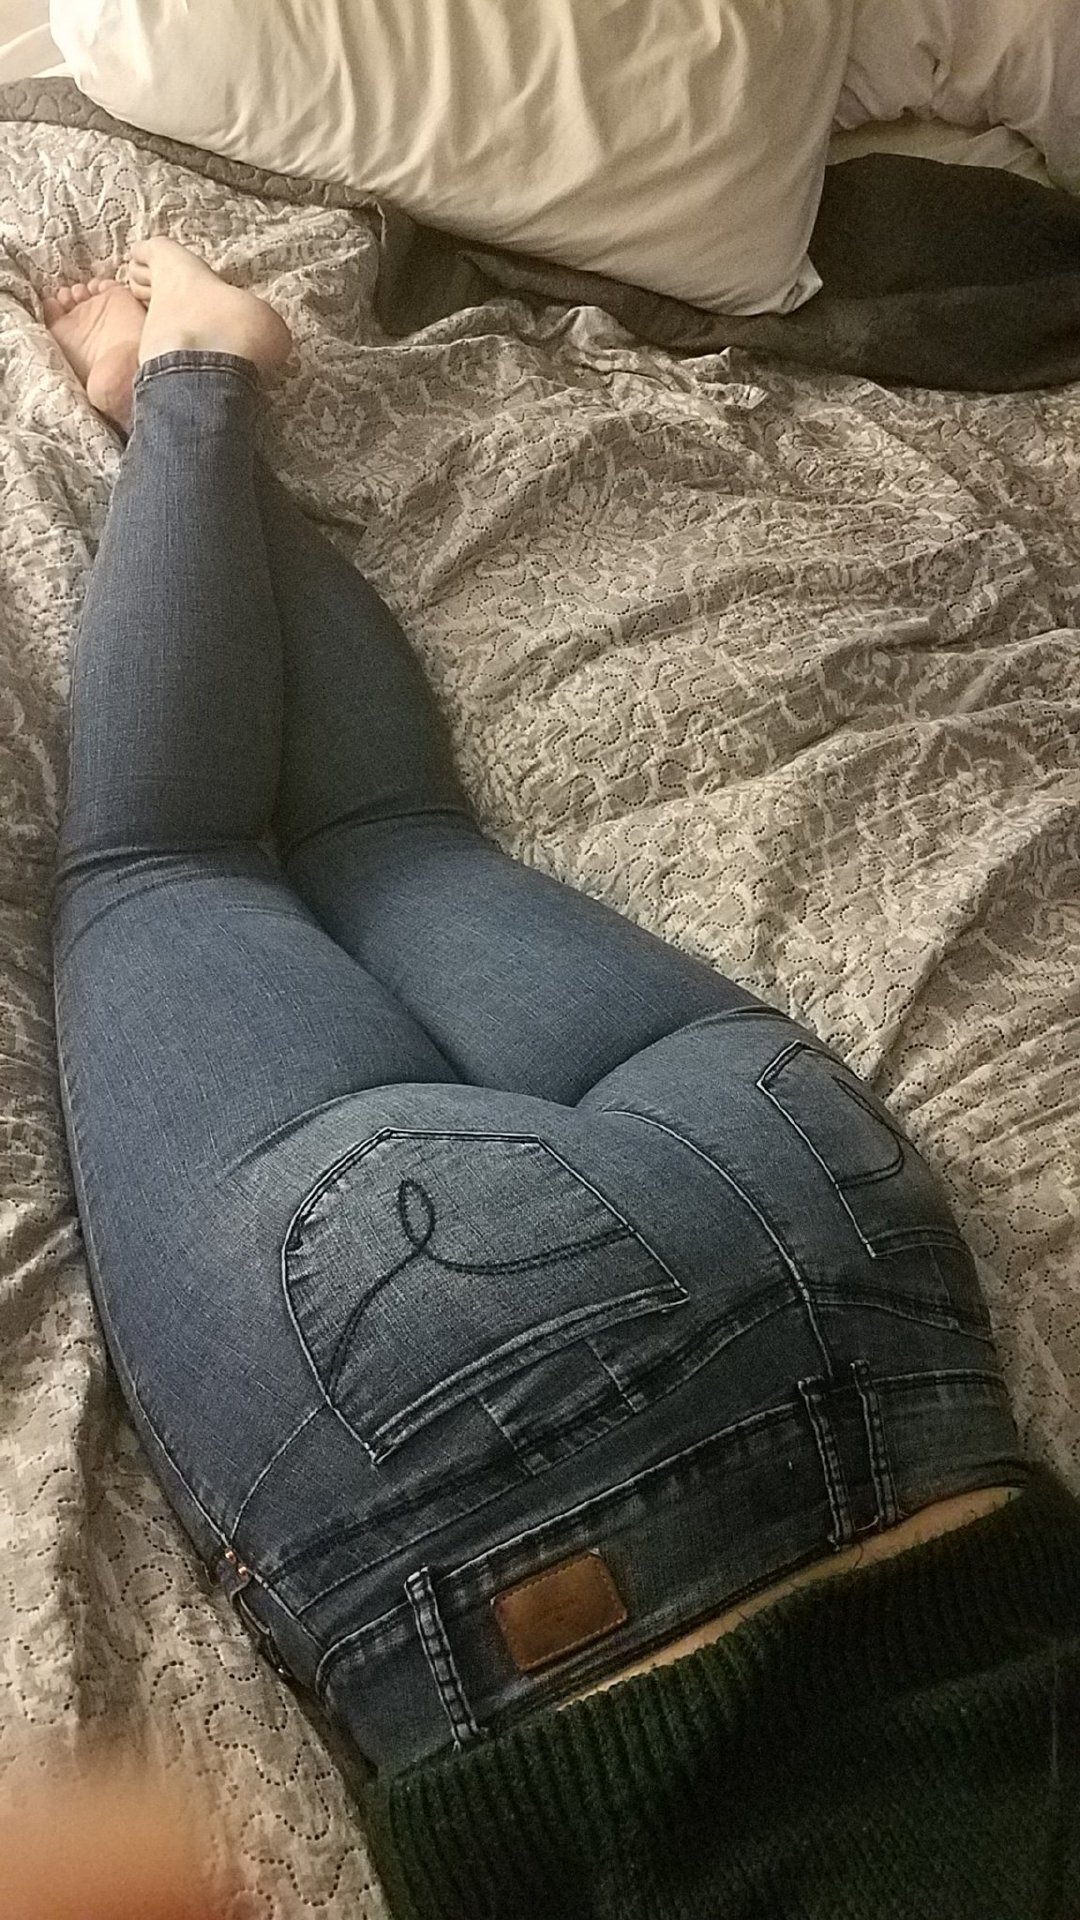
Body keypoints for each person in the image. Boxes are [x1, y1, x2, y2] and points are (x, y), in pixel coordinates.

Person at [38, 240, 1080, 1918]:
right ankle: (186, 390)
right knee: (163, 864)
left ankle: (200, 392)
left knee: (399, 840)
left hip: (831, 1257)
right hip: (510, 1506)